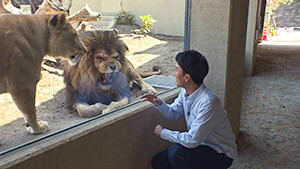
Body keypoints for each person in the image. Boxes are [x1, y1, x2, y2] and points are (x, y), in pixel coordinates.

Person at [141, 50, 237, 169]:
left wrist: (164, 133)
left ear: (187, 77)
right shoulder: (185, 92)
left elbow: (192, 140)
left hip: (220, 153)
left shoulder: (208, 102)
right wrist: (157, 102)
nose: (174, 73)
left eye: (176, 70)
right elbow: (173, 113)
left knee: (177, 155)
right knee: (158, 162)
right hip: (200, 145)